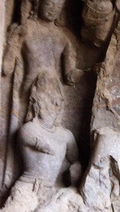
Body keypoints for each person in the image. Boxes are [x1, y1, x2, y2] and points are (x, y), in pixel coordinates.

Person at [0, 72, 80, 212]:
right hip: (28, 189)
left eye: (58, 103)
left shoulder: (66, 135)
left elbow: (75, 161)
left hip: (52, 190)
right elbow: (44, 146)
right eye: (50, 101)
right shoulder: (28, 129)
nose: (55, 108)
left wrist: (75, 172)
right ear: (37, 103)